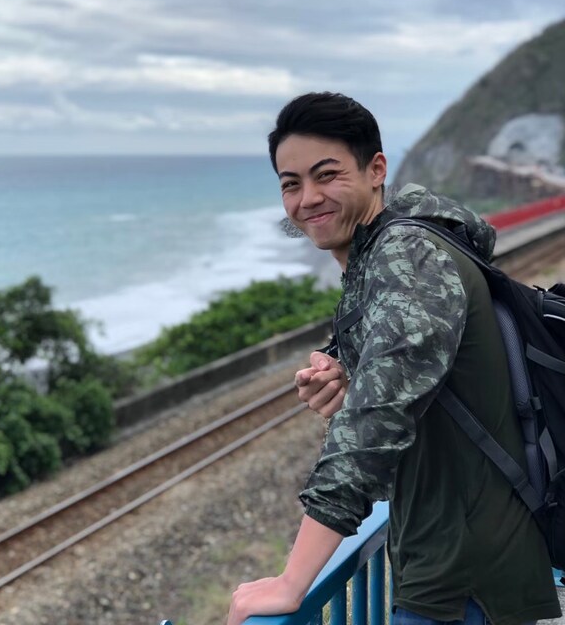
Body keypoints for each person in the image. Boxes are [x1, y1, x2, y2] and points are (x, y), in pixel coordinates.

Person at [227, 92, 561, 625]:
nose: (307, 198)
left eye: (327, 174)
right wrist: (348, 372)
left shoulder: (409, 256)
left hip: (464, 577)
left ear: (376, 169)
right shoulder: (387, 251)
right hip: (448, 560)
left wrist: (292, 583)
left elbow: (372, 426)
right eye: (291, 184)